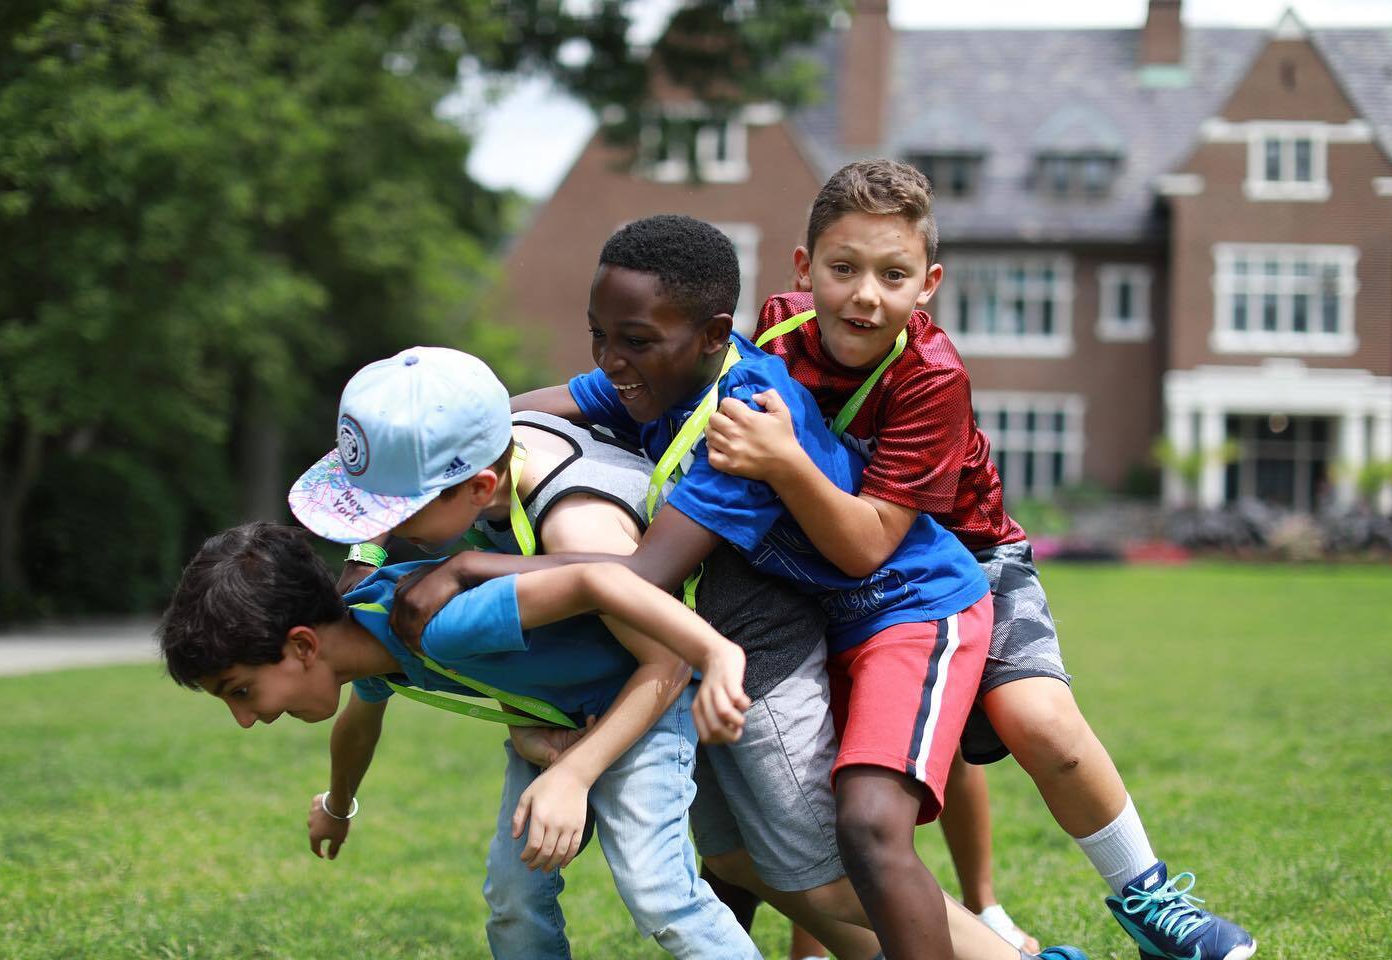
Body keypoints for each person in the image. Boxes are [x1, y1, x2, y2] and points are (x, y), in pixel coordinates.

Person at [406, 214, 1090, 960]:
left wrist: (467, 567)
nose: (609, 360)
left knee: (845, 863)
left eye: (632, 340)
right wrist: (421, 443)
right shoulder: (661, 372)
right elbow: (523, 411)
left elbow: (639, 577)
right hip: (823, 612)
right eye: (598, 334)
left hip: (908, 602)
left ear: (711, 334)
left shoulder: (741, 419)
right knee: (755, 863)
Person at [706, 157, 1257, 960]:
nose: (865, 294)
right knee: (835, 765)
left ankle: (1149, 899)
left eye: (892, 274)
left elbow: (868, 537)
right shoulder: (780, 328)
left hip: (965, 559)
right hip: (835, 573)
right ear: (803, 269)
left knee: (1038, 722)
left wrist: (783, 459)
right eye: (843, 268)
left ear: (927, 284)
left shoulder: (932, 376)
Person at [170, 346, 762, 960]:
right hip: (565, 724)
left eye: (241, 690)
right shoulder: (370, 634)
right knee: (513, 897)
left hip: (643, 703)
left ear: (302, 645)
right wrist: (339, 805)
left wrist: (712, 658)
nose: (244, 718)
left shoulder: (439, 623)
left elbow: (603, 583)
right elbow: (358, 723)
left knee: (660, 894)